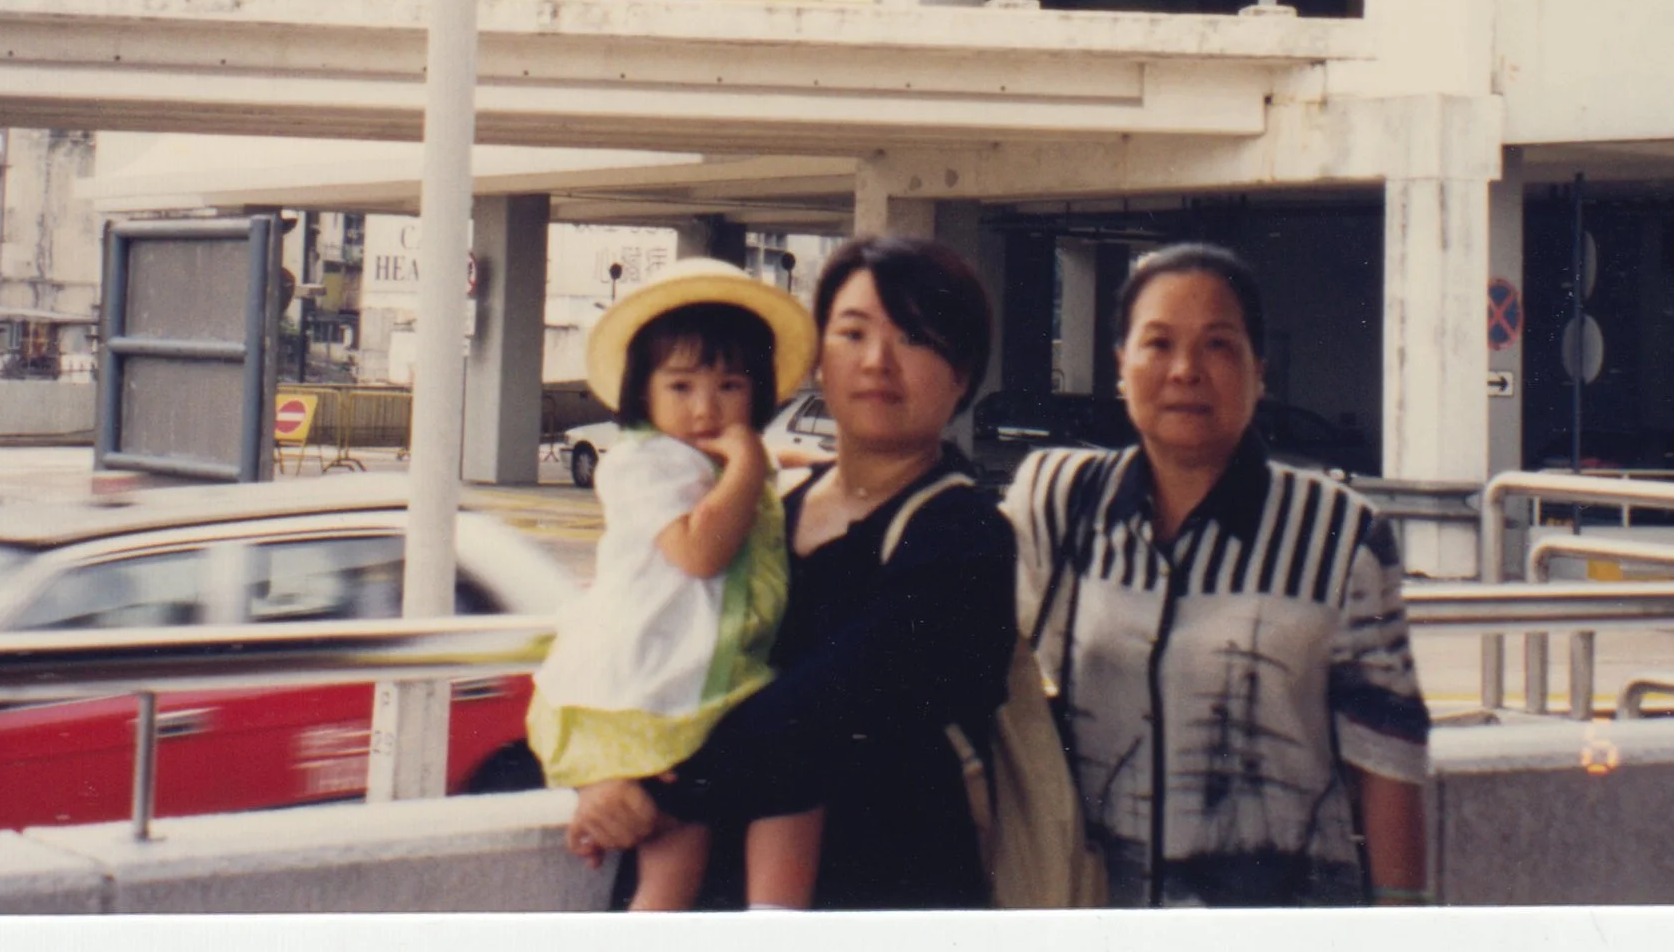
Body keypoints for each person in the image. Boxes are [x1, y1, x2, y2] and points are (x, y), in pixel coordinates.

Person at [564, 236, 1018, 909]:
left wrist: (655, 787)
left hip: (876, 894)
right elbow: (628, 638)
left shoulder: (964, 538)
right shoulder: (760, 510)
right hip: (708, 888)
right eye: (852, 332)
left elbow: (829, 710)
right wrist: (601, 772)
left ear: (962, 375)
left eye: (915, 338)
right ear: (817, 363)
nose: (876, 362)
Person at [1002, 243, 1432, 908]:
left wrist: (1404, 921)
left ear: (1260, 371)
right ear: (1122, 364)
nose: (1185, 371)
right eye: (1158, 343)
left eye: (1218, 346)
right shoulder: (1058, 497)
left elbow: (1389, 760)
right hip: (1094, 912)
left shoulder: (1341, 532)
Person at [525, 259, 826, 910]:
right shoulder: (643, 462)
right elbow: (700, 552)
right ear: (643, 390)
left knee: (677, 865)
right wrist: (749, 459)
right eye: (681, 385)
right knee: (767, 791)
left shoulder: (703, 458)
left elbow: (770, 471)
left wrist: (781, 461)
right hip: (653, 692)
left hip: (691, 688)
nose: (705, 407)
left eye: (730, 385)